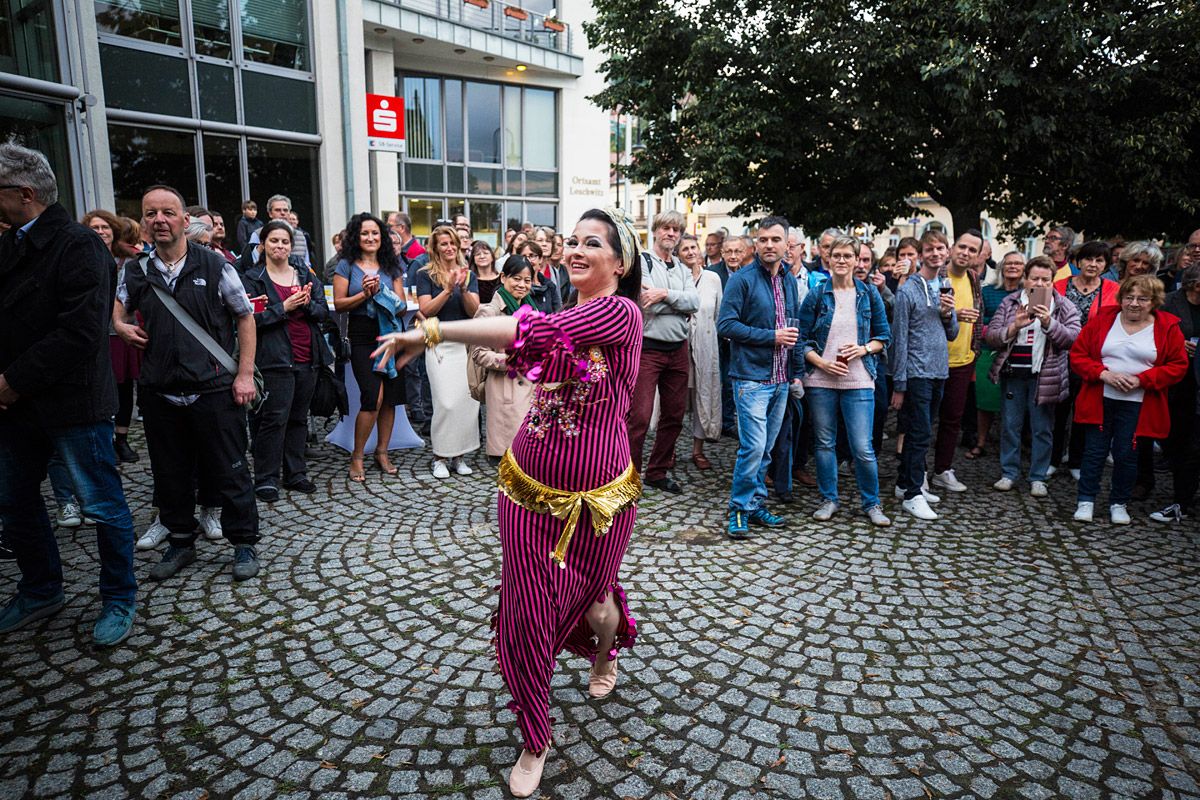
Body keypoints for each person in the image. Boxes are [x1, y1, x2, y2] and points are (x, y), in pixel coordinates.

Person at [373, 207, 644, 799]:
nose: (575, 249)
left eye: (591, 243)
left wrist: (432, 331)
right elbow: (536, 353)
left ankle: (604, 656)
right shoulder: (571, 309)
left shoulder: (621, 313)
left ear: (619, 263)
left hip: (600, 500)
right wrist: (504, 359)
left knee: (598, 605)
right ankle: (535, 734)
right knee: (526, 609)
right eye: (571, 240)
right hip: (526, 488)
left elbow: (532, 332)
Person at [0, 142, 138, 644]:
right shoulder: (11, 242)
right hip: (18, 407)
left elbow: (79, 332)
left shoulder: (79, 245)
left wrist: (12, 381)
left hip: (72, 403)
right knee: (14, 501)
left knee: (101, 504)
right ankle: (41, 588)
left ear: (24, 193)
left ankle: (119, 598)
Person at [112, 185, 261, 581]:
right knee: (170, 472)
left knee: (229, 470)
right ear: (144, 222)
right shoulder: (136, 270)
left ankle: (243, 543)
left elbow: (245, 318)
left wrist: (244, 374)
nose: (159, 219)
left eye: (167, 212)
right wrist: (119, 326)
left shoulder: (215, 266)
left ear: (183, 220)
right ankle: (180, 541)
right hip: (160, 390)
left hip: (213, 387)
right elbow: (119, 306)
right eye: (151, 213)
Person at [1070, 275, 1188, 524]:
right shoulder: (1103, 320)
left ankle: (1119, 503)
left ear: (1154, 301)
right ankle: (1086, 500)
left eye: (1142, 299)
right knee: (1094, 451)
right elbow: (1078, 355)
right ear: (1121, 298)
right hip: (1100, 396)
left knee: (1126, 453)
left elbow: (1178, 365)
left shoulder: (1167, 326)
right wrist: (1103, 374)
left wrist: (1142, 380)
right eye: (1129, 297)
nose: (1134, 303)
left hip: (1140, 403)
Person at [717, 215, 805, 538]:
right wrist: (771, 337)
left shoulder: (788, 280)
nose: (770, 245)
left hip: (780, 379)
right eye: (764, 239)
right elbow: (725, 325)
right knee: (752, 447)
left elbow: (795, 329)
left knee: (766, 449)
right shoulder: (742, 280)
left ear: (787, 245)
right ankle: (738, 509)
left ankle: (755, 503)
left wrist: (796, 373)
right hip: (751, 378)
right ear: (756, 243)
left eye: (776, 240)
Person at [798, 234, 892, 526]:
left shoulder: (868, 293)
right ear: (828, 259)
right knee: (824, 443)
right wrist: (821, 363)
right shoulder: (817, 294)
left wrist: (863, 349)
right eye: (836, 255)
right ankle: (829, 499)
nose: (841, 260)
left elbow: (884, 337)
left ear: (856, 260)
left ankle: (872, 503)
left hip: (860, 378)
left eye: (847, 256)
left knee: (862, 446)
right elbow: (802, 339)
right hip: (821, 380)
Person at [241, 220, 329, 500]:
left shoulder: (305, 274)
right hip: (274, 358)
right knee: (273, 419)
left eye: (285, 242)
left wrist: (307, 305)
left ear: (292, 246)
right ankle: (266, 477)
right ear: (263, 245)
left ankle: (296, 472)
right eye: (274, 241)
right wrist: (283, 308)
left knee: (298, 419)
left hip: (307, 356)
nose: (280, 246)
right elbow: (249, 320)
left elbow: (323, 311)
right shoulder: (252, 278)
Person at [985, 256, 1081, 496]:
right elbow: (992, 337)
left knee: (1042, 428)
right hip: (1013, 372)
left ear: (1052, 282)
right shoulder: (1010, 302)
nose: (1039, 284)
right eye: (1034, 278)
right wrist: (1014, 327)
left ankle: (1038, 476)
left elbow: (1073, 339)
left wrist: (1049, 323)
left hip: (1044, 375)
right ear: (1025, 279)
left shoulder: (1063, 305)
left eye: (1045, 280)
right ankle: (1009, 473)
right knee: (1010, 425)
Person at [627, 210, 700, 494]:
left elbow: (695, 302)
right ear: (655, 231)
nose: (671, 234)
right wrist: (674, 300)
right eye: (666, 228)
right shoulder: (642, 263)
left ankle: (657, 471)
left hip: (678, 349)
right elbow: (646, 302)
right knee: (640, 417)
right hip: (648, 349)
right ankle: (629, 477)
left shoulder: (682, 268)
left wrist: (665, 294)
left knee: (674, 415)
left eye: (676, 230)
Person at [332, 213, 408, 482]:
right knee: (371, 396)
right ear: (356, 236)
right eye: (365, 233)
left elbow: (401, 306)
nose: (371, 237)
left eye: (375, 233)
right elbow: (339, 305)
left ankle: (382, 452)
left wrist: (381, 293)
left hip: (392, 335)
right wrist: (364, 295)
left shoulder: (391, 265)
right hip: (362, 335)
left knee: (390, 398)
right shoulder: (346, 266)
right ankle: (357, 456)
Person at [890, 230, 960, 520]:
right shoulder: (909, 290)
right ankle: (912, 495)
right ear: (921, 254)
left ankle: (906, 481)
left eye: (940, 248)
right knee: (918, 434)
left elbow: (952, 333)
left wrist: (948, 314)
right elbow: (900, 337)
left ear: (947, 252)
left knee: (924, 431)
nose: (935, 253)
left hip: (939, 370)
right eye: (929, 249)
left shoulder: (945, 286)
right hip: (916, 371)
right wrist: (900, 382)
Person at [416, 225, 481, 478]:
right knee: (445, 401)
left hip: (463, 341)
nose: (449, 248)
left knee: (465, 402)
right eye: (444, 243)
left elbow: (474, 311)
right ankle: (439, 456)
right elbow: (427, 310)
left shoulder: (469, 275)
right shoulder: (425, 274)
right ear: (435, 248)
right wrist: (447, 289)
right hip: (439, 342)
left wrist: (463, 288)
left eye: (453, 243)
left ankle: (460, 456)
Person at [1051, 240, 1120, 477]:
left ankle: (1076, 460)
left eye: (1099, 260)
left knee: (1083, 409)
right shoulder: (1058, 285)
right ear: (1078, 262)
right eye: (1088, 259)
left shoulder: (1113, 289)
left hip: (1091, 358)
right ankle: (1052, 458)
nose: (1092, 264)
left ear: (1105, 265)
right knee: (1057, 409)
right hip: (1058, 354)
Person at [83, 209, 142, 464]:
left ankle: (122, 439)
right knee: (102, 386)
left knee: (125, 387)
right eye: (95, 228)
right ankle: (104, 441)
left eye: (105, 227)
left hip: (123, 331)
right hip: (96, 334)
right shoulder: (83, 258)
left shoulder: (128, 260)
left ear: (114, 230)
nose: (100, 232)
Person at [470, 256, 537, 459]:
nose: (522, 285)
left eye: (527, 280)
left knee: (528, 452)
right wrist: (510, 361)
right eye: (516, 278)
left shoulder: (531, 310)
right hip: (504, 387)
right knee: (509, 454)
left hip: (530, 387)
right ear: (503, 277)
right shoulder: (489, 312)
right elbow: (478, 353)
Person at [1150, 262, 1200, 523]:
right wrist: (1176, 343)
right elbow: (1150, 332)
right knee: (1179, 442)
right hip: (1176, 384)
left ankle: (1183, 499)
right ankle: (1180, 499)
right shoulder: (1169, 303)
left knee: (1193, 445)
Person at [968, 251, 1024, 460]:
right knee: (986, 398)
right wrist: (995, 330)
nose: (1012, 267)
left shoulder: (1027, 293)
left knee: (1015, 400)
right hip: (988, 349)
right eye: (1008, 263)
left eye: (1017, 263)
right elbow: (977, 317)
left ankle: (1011, 445)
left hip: (1018, 350)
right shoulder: (988, 291)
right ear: (1001, 267)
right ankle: (981, 441)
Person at [679, 233, 723, 468]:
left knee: (703, 396)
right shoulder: (674, 278)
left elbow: (718, 313)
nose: (690, 252)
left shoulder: (712, 278)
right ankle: (671, 448)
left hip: (706, 343)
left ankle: (698, 450)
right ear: (678, 254)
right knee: (676, 399)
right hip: (680, 345)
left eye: (693, 247)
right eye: (684, 248)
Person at [517, 239, 563, 313]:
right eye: (524, 256)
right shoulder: (516, 287)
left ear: (540, 259)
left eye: (532, 256)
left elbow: (558, 312)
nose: (528, 260)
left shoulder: (549, 286)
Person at [470, 240, 501, 304]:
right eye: (478, 254)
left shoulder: (501, 278)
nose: (482, 256)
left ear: (492, 257)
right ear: (473, 259)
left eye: (485, 253)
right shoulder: (470, 280)